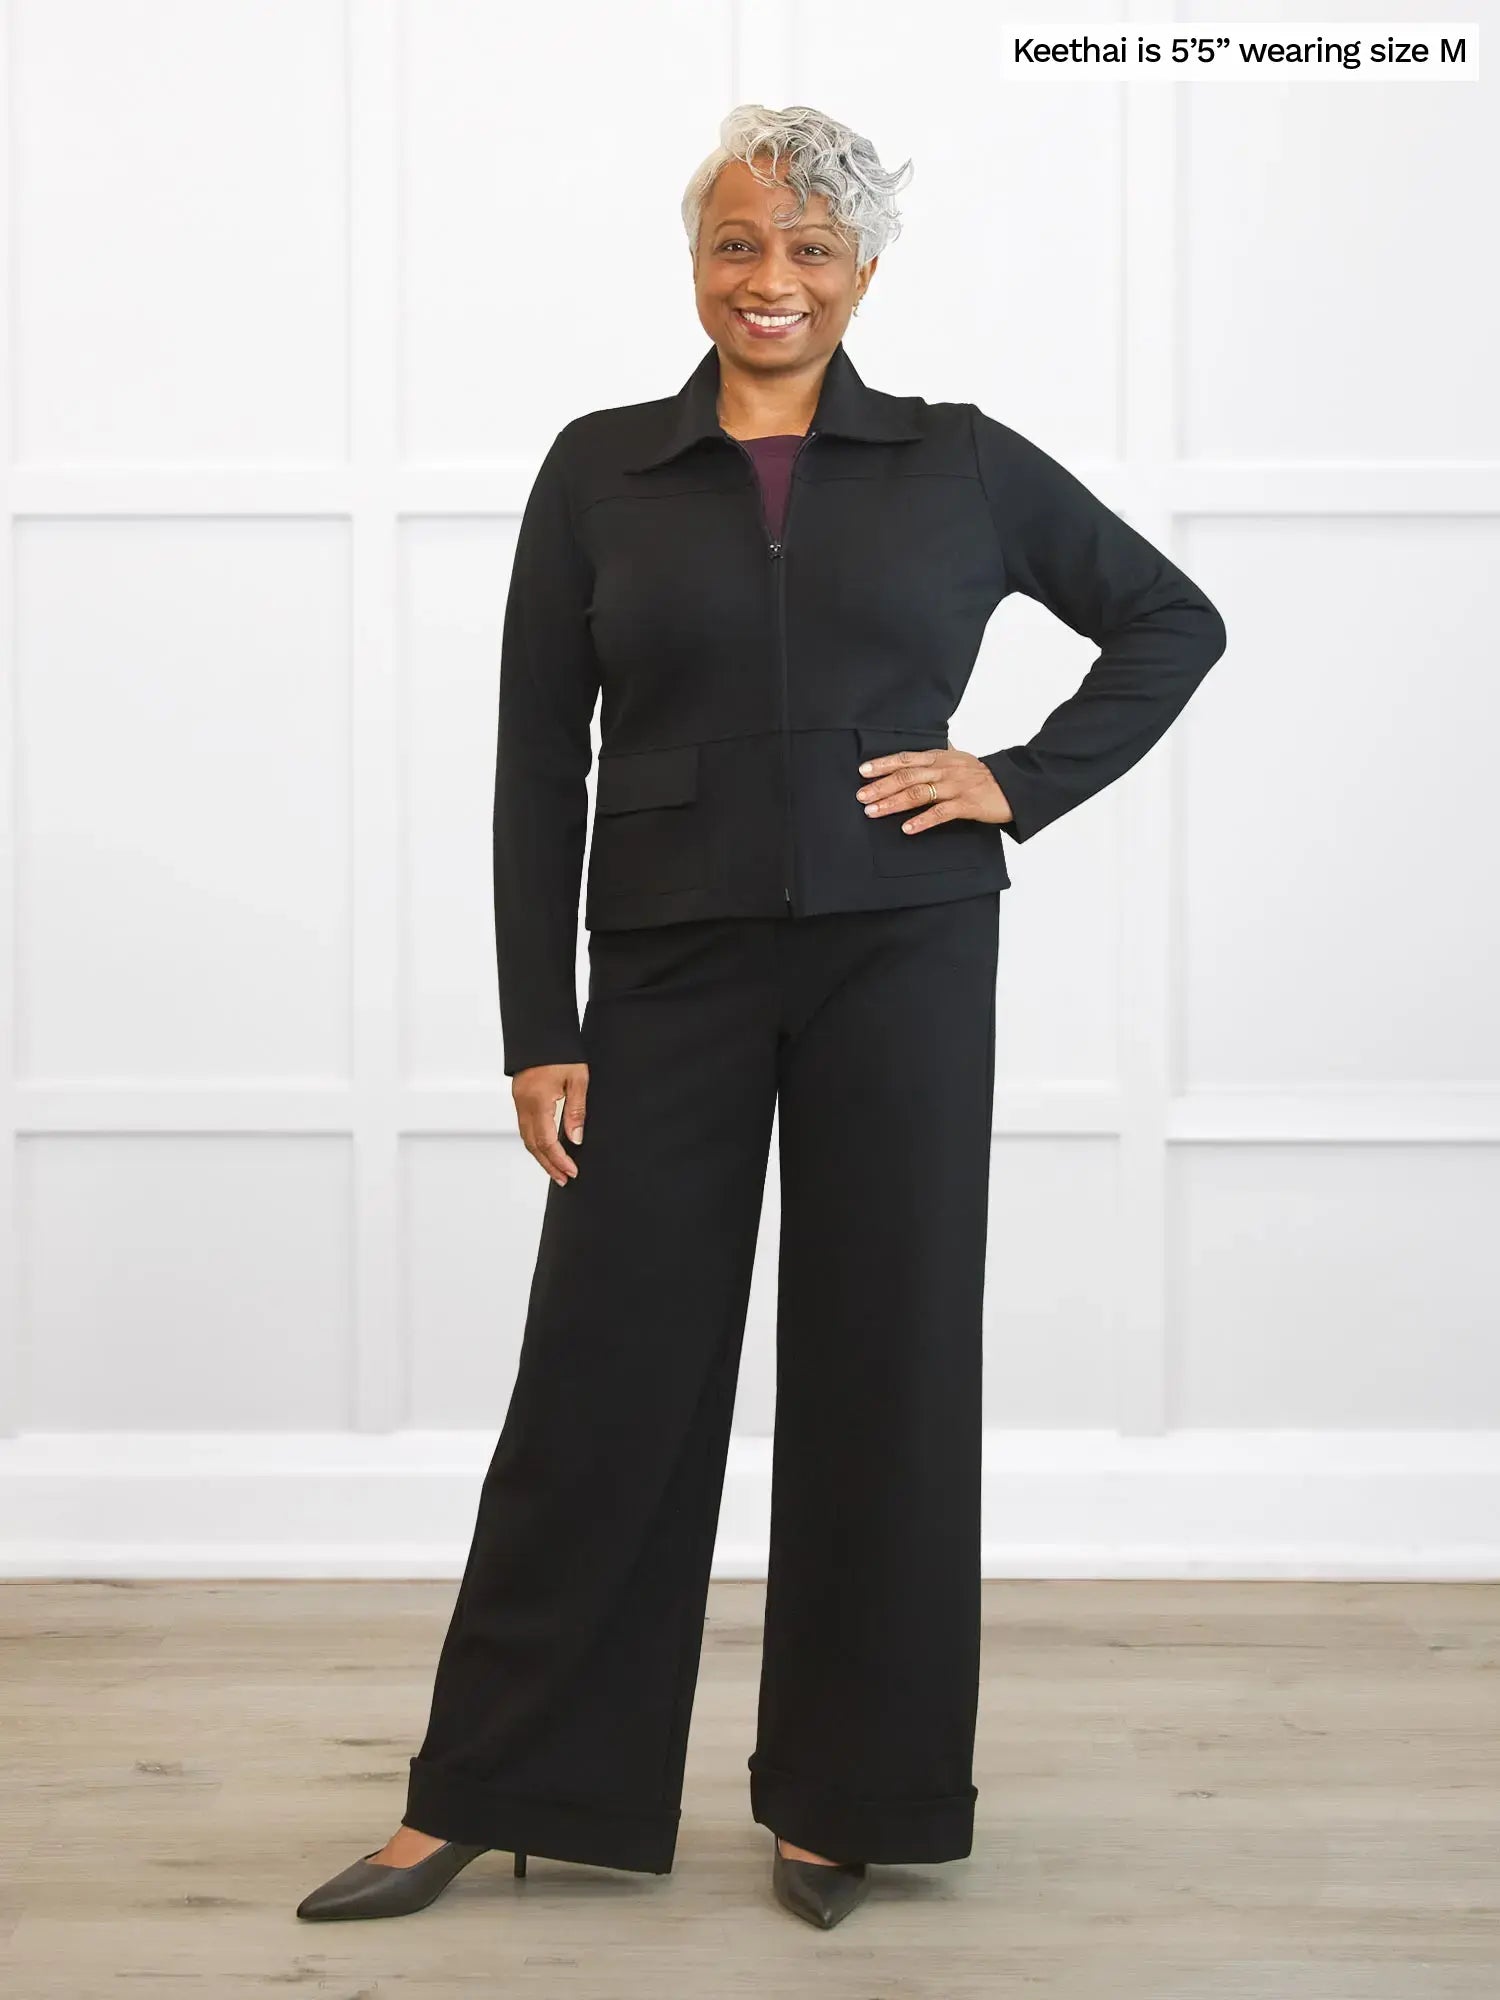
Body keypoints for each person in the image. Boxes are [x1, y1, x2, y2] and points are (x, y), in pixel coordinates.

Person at [297, 101, 1227, 1932]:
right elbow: (535, 760)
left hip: (904, 955)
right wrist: (535, 1022)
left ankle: (845, 1801)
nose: (771, 279)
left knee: (887, 1364)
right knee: (605, 1371)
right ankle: (493, 1788)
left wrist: (1016, 782)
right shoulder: (603, 469)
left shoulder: (959, 462)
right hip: (665, 970)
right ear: (696, 261)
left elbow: (1168, 621)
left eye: (809, 247)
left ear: (863, 271)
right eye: (739, 244)